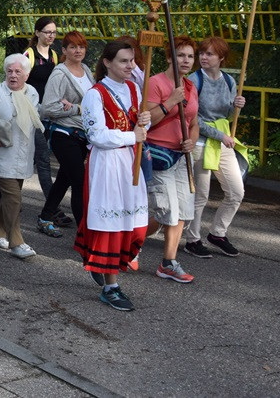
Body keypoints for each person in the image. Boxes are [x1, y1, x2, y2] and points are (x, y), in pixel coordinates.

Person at [74, 40, 151, 311]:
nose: (131, 66)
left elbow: (142, 121)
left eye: (132, 61)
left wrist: (144, 122)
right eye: (123, 61)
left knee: (136, 222)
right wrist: (133, 134)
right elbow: (96, 134)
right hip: (107, 162)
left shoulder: (133, 88)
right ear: (107, 63)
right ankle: (111, 286)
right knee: (112, 223)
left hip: (130, 159)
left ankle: (104, 265)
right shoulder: (95, 94)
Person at [144, 35, 200, 283]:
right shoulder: (155, 82)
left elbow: (194, 122)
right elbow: (148, 119)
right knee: (166, 211)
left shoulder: (191, 86)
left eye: (189, 56)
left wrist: (191, 141)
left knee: (183, 213)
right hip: (158, 153)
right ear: (169, 58)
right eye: (180, 55)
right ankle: (128, 242)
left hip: (181, 157)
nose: (186, 60)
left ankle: (168, 262)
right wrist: (171, 102)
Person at [184, 36, 247, 258]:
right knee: (201, 195)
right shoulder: (193, 80)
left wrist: (237, 106)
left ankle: (218, 233)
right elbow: (193, 119)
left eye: (209, 54)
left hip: (223, 142)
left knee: (236, 192)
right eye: (201, 53)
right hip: (201, 142)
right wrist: (220, 135)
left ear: (221, 57)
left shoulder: (229, 80)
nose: (203, 57)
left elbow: (228, 115)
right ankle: (192, 240)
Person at [0, 54, 43, 259]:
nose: (13, 75)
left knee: (9, 197)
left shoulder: (32, 93)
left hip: (24, 154)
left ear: (26, 74)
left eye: (18, 71)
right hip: (2, 155)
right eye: (9, 71)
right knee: (13, 198)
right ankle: (16, 242)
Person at [38, 30, 94, 235]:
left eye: (81, 46)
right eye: (73, 47)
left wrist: (80, 107)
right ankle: (84, 234)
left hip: (83, 134)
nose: (78, 50)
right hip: (63, 133)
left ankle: (45, 217)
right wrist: (78, 108)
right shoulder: (60, 74)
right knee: (80, 181)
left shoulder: (87, 70)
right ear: (64, 50)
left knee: (65, 178)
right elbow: (48, 108)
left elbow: (94, 101)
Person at [24, 16, 62, 222]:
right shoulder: (29, 55)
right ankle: (52, 207)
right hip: (31, 114)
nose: (51, 36)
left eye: (54, 32)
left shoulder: (55, 56)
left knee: (29, 158)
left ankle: (6, 198)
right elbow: (19, 82)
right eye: (47, 32)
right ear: (37, 33)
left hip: (47, 115)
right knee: (42, 160)